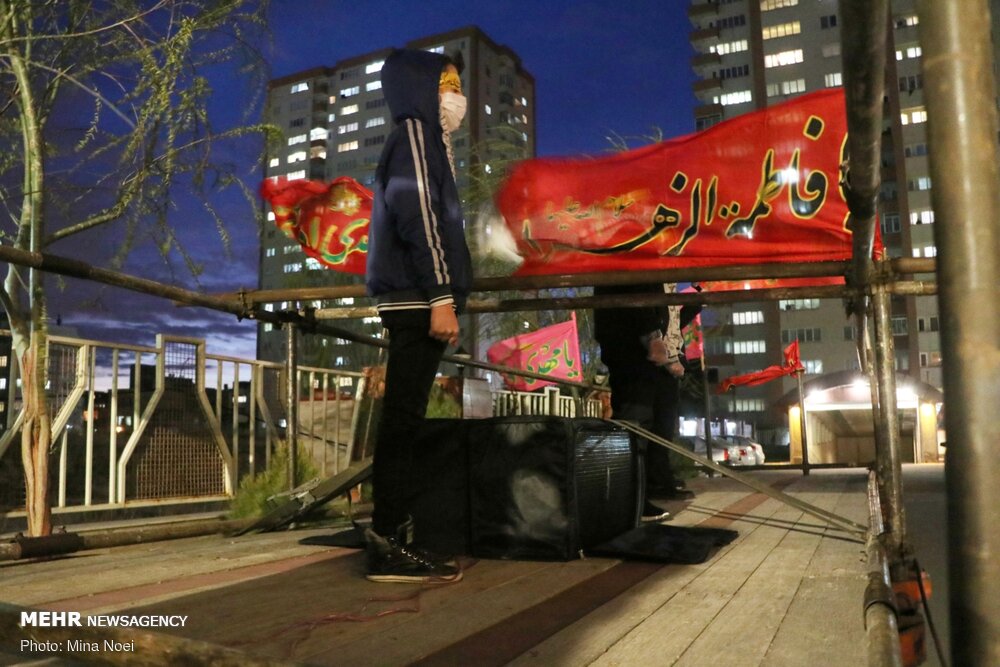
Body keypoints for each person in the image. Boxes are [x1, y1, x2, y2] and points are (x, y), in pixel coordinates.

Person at [363, 48, 472, 583]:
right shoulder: (413, 134)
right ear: (421, 89)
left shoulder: (428, 140)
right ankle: (388, 542)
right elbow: (420, 217)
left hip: (417, 297)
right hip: (416, 298)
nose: (456, 98)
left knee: (405, 419)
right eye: (447, 85)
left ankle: (393, 535)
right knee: (403, 421)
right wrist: (441, 296)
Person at [593, 283, 701, 522]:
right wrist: (652, 338)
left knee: (657, 429)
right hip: (633, 355)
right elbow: (632, 296)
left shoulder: (660, 284)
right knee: (635, 428)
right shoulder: (630, 262)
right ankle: (629, 500)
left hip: (654, 356)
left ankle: (647, 490)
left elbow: (668, 320)